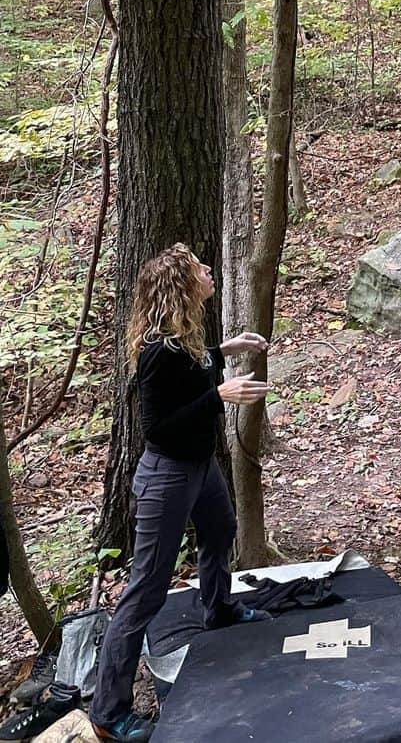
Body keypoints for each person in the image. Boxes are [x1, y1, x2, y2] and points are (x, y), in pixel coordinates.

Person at [89, 244, 272, 742]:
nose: (209, 272)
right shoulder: (156, 352)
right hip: (167, 475)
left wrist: (224, 351)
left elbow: (190, 373)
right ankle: (108, 712)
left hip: (198, 468)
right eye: (199, 270)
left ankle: (218, 608)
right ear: (180, 287)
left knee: (221, 529)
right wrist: (218, 396)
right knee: (147, 587)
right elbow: (158, 427)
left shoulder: (183, 338)